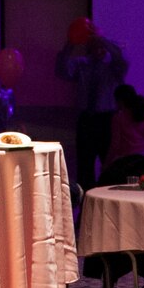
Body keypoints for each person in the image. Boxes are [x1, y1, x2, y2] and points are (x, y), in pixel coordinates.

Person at [55, 23, 129, 185]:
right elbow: (61, 69)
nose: (96, 48)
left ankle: (110, 200)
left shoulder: (113, 67)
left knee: (110, 164)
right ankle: (87, 203)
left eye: (99, 44)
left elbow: (120, 58)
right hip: (86, 119)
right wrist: (71, 43)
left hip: (107, 120)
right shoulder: (81, 64)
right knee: (85, 165)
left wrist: (103, 40)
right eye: (93, 43)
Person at [107, 83, 144, 166]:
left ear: (120, 101)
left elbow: (115, 144)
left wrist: (106, 162)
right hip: (143, 156)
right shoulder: (140, 114)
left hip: (126, 159)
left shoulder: (118, 118)